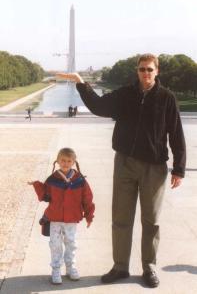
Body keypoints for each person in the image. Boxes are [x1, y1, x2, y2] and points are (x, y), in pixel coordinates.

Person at [56, 53, 186, 288]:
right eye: (141, 69)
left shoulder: (167, 98)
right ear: (136, 71)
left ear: (157, 71)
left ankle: (149, 266)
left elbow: (176, 133)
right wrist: (80, 82)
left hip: (154, 167)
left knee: (151, 221)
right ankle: (120, 266)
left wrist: (179, 168)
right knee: (121, 218)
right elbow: (98, 106)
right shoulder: (126, 94)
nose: (145, 73)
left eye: (149, 69)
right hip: (125, 162)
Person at [28, 147, 95, 285]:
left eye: (69, 161)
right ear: (58, 161)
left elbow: (87, 198)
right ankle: (56, 269)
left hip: (72, 219)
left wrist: (89, 215)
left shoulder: (80, 180)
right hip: (55, 218)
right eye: (63, 160)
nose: (65, 163)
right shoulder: (53, 179)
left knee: (71, 243)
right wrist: (36, 184)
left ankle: (70, 267)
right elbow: (45, 195)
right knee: (55, 244)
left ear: (73, 162)